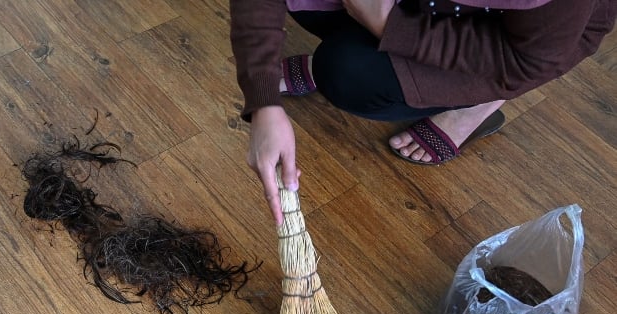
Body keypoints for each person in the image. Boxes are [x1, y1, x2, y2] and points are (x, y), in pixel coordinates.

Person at [229, 0, 616, 225]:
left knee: (347, 74)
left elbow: (527, 59)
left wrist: (389, 26)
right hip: (427, 8)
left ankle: (479, 101)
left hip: (512, 43)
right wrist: (263, 102)